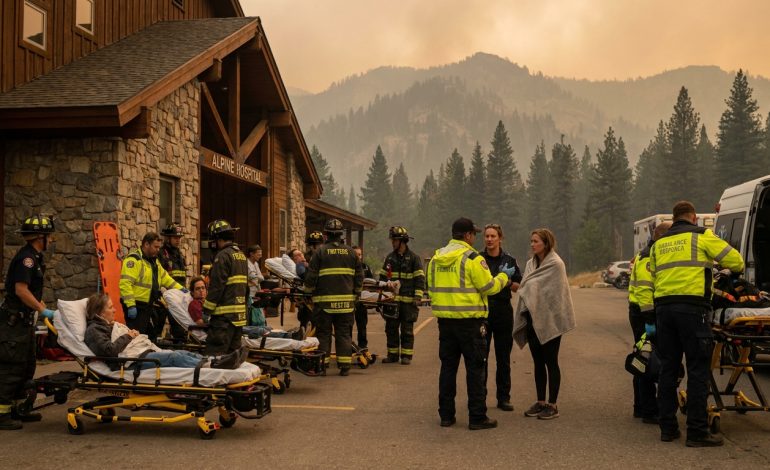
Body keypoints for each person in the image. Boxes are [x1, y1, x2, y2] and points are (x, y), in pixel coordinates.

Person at [651, 201, 744, 447]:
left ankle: (668, 429)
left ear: (675, 217)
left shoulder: (659, 243)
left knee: (668, 368)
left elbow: (654, 274)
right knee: (697, 369)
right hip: (692, 309)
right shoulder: (702, 235)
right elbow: (737, 261)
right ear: (693, 217)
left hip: (664, 309)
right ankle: (697, 432)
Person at [427, 217, 515, 430]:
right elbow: (489, 287)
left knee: (448, 369)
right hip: (470, 323)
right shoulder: (472, 258)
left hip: (445, 323)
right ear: (467, 235)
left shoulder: (436, 258)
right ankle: (477, 417)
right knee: (475, 369)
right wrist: (504, 276)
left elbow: (430, 287)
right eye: (474, 234)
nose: (476, 238)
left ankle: (446, 415)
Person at [84, 293, 246, 370]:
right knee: (173, 356)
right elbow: (109, 351)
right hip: (130, 362)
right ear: (99, 312)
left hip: (140, 353)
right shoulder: (94, 330)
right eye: (110, 307)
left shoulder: (110, 325)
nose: (114, 310)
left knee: (181, 352)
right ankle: (214, 366)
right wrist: (128, 335)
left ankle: (218, 360)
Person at [513, 228, 576, 420]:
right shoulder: (530, 264)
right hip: (532, 318)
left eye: (536, 241)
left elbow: (555, 294)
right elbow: (527, 288)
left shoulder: (556, 264)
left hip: (551, 319)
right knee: (538, 362)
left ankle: (553, 404)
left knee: (551, 362)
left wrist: (525, 288)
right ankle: (540, 401)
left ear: (546, 243)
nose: (532, 245)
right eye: (531, 241)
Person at [0, 215, 56, 430]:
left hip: (24, 323)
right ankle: (2, 414)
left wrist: (42, 307)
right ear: (39, 237)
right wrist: (43, 310)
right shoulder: (27, 259)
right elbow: (20, 290)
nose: (50, 240)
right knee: (10, 368)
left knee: (25, 366)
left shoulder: (36, 257)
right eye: (48, 236)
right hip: (13, 324)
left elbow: (32, 292)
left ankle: (16, 408)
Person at [303, 219, 363, 376]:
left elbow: (311, 276)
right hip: (346, 304)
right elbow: (359, 276)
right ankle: (345, 366)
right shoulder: (351, 252)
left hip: (325, 304)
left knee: (324, 333)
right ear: (340, 234)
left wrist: (307, 293)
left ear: (326, 235)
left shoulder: (320, 252)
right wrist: (356, 294)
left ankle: (323, 365)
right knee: (344, 333)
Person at [628, 221, 671, 423]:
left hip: (642, 312)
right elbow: (645, 289)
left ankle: (641, 406)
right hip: (644, 313)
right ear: (660, 236)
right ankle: (648, 409)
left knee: (642, 357)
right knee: (647, 359)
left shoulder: (649, 253)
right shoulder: (648, 257)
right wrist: (649, 319)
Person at [480, 223, 522, 411]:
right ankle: (480, 397)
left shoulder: (510, 260)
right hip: (483, 312)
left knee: (503, 358)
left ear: (500, 238)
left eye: (493, 236)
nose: (489, 239)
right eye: (487, 236)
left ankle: (503, 398)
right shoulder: (478, 260)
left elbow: (519, 286)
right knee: (481, 358)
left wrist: (508, 281)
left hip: (503, 312)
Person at [119, 232, 184, 343]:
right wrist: (130, 305)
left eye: (159, 247)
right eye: (155, 247)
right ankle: (135, 359)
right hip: (136, 306)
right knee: (137, 339)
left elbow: (166, 279)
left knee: (150, 336)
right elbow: (125, 284)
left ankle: (149, 357)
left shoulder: (154, 262)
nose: (158, 250)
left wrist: (181, 290)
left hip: (148, 306)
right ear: (146, 244)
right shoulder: (134, 260)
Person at [379, 227, 425, 365]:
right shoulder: (389, 258)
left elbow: (420, 279)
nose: (392, 242)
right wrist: (383, 292)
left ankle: (406, 356)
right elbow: (382, 277)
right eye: (392, 240)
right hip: (392, 302)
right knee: (391, 329)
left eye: (395, 240)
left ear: (402, 241)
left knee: (407, 330)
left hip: (408, 302)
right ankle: (392, 355)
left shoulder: (414, 258)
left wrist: (417, 297)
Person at [202, 219, 249, 356]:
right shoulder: (241, 255)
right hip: (238, 318)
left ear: (218, 239)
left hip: (223, 319)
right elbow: (245, 287)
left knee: (216, 357)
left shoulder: (222, 256)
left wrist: (207, 310)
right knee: (232, 358)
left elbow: (217, 287)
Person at [159, 223, 188, 340]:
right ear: (168, 238)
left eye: (179, 238)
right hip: (164, 297)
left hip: (178, 298)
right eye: (175, 238)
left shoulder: (179, 255)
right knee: (158, 325)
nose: (178, 240)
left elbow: (181, 277)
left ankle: (179, 348)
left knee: (179, 327)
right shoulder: (161, 254)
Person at [352, 245, 374, 349]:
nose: (359, 257)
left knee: (362, 325)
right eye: (356, 254)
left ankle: (363, 346)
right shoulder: (346, 267)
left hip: (362, 301)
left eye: (360, 254)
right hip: (350, 301)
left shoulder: (365, 267)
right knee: (347, 326)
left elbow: (372, 282)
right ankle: (348, 347)